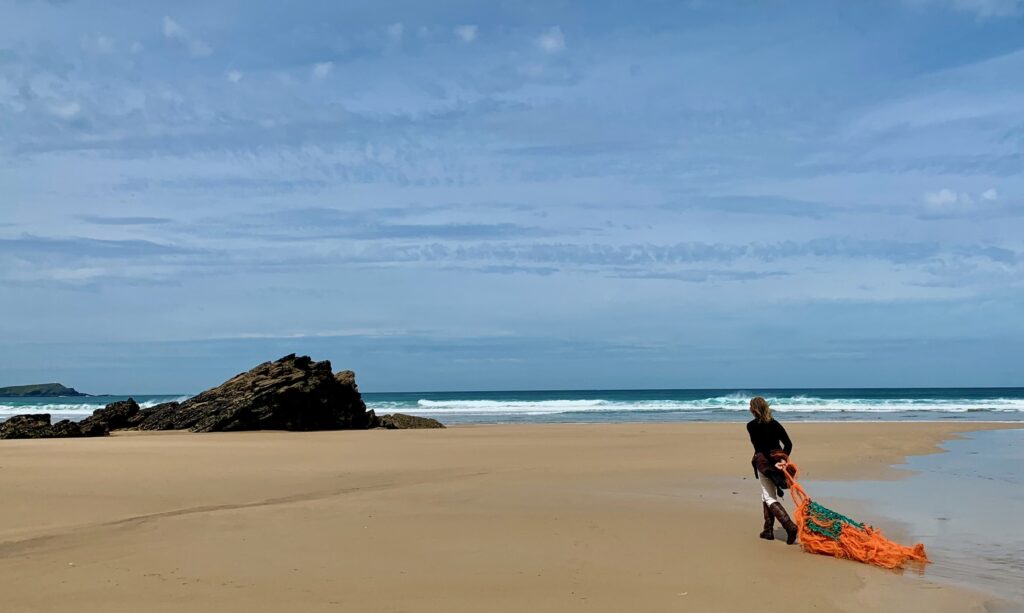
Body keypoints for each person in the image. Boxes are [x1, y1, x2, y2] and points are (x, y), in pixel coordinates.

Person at [746, 396, 798, 544]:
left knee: (769, 497)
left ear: (753, 409)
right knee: (767, 495)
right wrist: (782, 461)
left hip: (764, 464)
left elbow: (760, 448)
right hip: (778, 463)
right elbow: (788, 444)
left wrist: (771, 464)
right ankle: (768, 530)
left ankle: (789, 526)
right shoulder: (775, 424)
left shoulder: (750, 426)